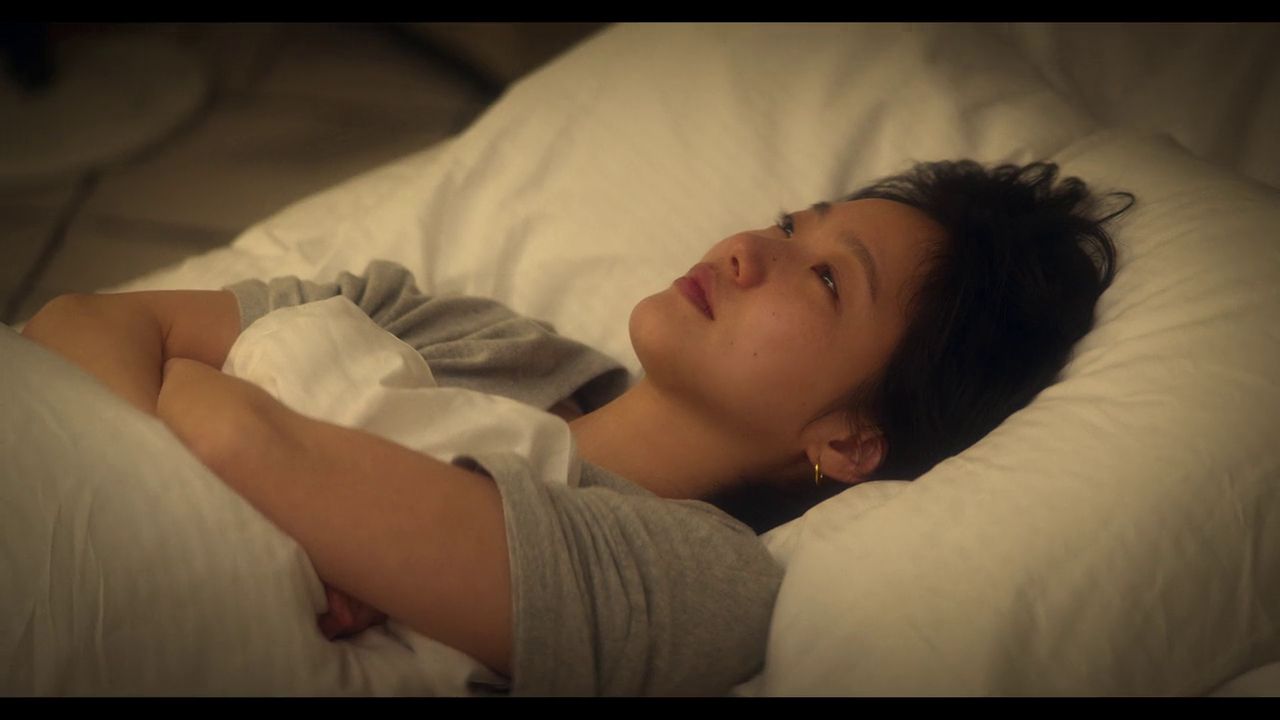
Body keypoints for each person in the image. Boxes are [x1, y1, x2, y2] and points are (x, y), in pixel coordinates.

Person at [19, 159, 1131, 696]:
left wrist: (200, 392)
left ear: (848, 444)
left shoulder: (701, 583)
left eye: (826, 278)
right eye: (792, 223)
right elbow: (76, 322)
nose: (749, 248)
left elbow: (246, 447)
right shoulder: (466, 335)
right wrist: (231, 445)